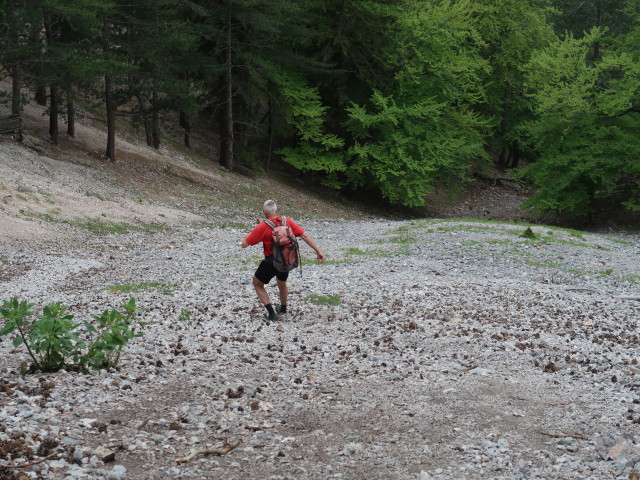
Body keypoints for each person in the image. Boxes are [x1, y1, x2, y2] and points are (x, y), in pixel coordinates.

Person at [241, 199, 325, 322]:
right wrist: (318, 251)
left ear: (265, 212)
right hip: (286, 260)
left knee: (257, 284)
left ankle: (271, 313)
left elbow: (244, 244)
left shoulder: (263, 226)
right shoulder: (287, 222)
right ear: (277, 210)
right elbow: (304, 235)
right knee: (282, 283)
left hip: (270, 261)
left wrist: (244, 241)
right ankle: (283, 308)